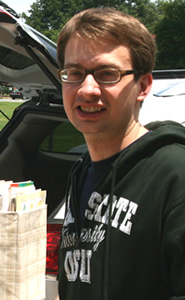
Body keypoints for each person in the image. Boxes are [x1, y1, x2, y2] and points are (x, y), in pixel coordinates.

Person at [56, 7, 185, 299]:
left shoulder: (175, 176)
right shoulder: (83, 172)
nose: (87, 89)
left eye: (107, 74)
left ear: (143, 85)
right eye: (74, 73)